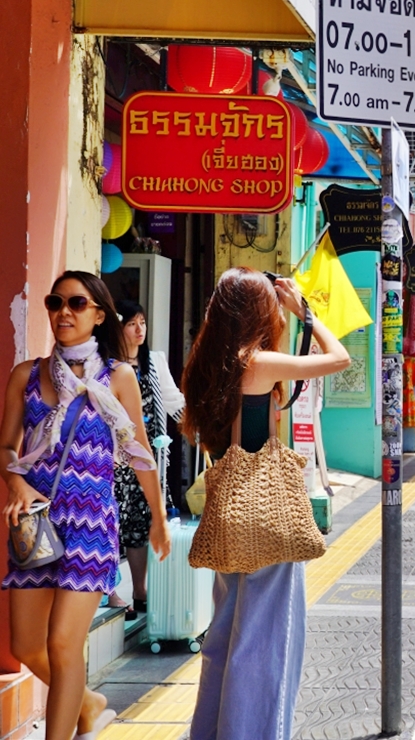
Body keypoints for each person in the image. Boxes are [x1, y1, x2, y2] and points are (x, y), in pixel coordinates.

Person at [181, 268, 349, 740]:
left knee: (224, 637)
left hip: (228, 514)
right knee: (266, 642)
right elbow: (339, 359)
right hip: (267, 515)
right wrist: (304, 312)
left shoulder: (204, 365)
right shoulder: (257, 363)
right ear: (260, 312)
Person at [2, 271, 169, 740]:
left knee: (62, 644)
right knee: (27, 646)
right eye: (56, 303)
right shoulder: (26, 375)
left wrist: (157, 517)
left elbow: (138, 452)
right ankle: (90, 703)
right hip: (34, 525)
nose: (64, 313)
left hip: (90, 526)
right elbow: (5, 450)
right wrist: (14, 483)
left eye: (76, 303)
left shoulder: (117, 377)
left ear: (98, 315)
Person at [106, 300, 185, 620]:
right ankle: (110, 593)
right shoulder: (106, 365)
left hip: (144, 458)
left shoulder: (154, 362)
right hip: (110, 459)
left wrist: (199, 430)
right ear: (118, 328)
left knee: (140, 527)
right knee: (109, 525)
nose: (139, 330)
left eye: (143, 323)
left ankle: (140, 591)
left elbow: (173, 401)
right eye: (132, 324)